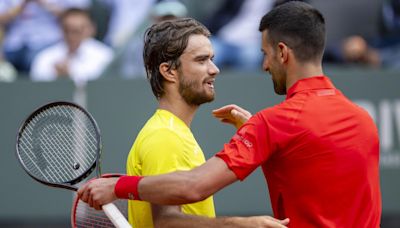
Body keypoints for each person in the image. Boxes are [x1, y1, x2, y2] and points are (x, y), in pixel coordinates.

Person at [78, 2, 382, 227]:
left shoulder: (273, 124)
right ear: (168, 71)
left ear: (282, 53)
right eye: (202, 60)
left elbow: (193, 185)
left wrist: (118, 187)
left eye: (265, 55)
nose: (264, 65)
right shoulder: (363, 120)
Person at [83, 17, 289, 228]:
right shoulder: (164, 137)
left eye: (212, 59)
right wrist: (242, 225)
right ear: (169, 71)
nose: (214, 69)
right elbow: (166, 222)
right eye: (202, 60)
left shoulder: (172, 132)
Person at [0, 0, 90, 75]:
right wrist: (22, 6)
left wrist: (43, 3)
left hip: (48, 43)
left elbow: (77, 16)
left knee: (40, 62)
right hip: (13, 44)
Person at [30, 8, 113, 85]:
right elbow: (37, 86)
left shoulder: (104, 56)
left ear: (91, 29)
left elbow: (100, 87)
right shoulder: (45, 57)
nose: (72, 35)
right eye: (67, 30)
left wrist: (70, 75)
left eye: (77, 30)